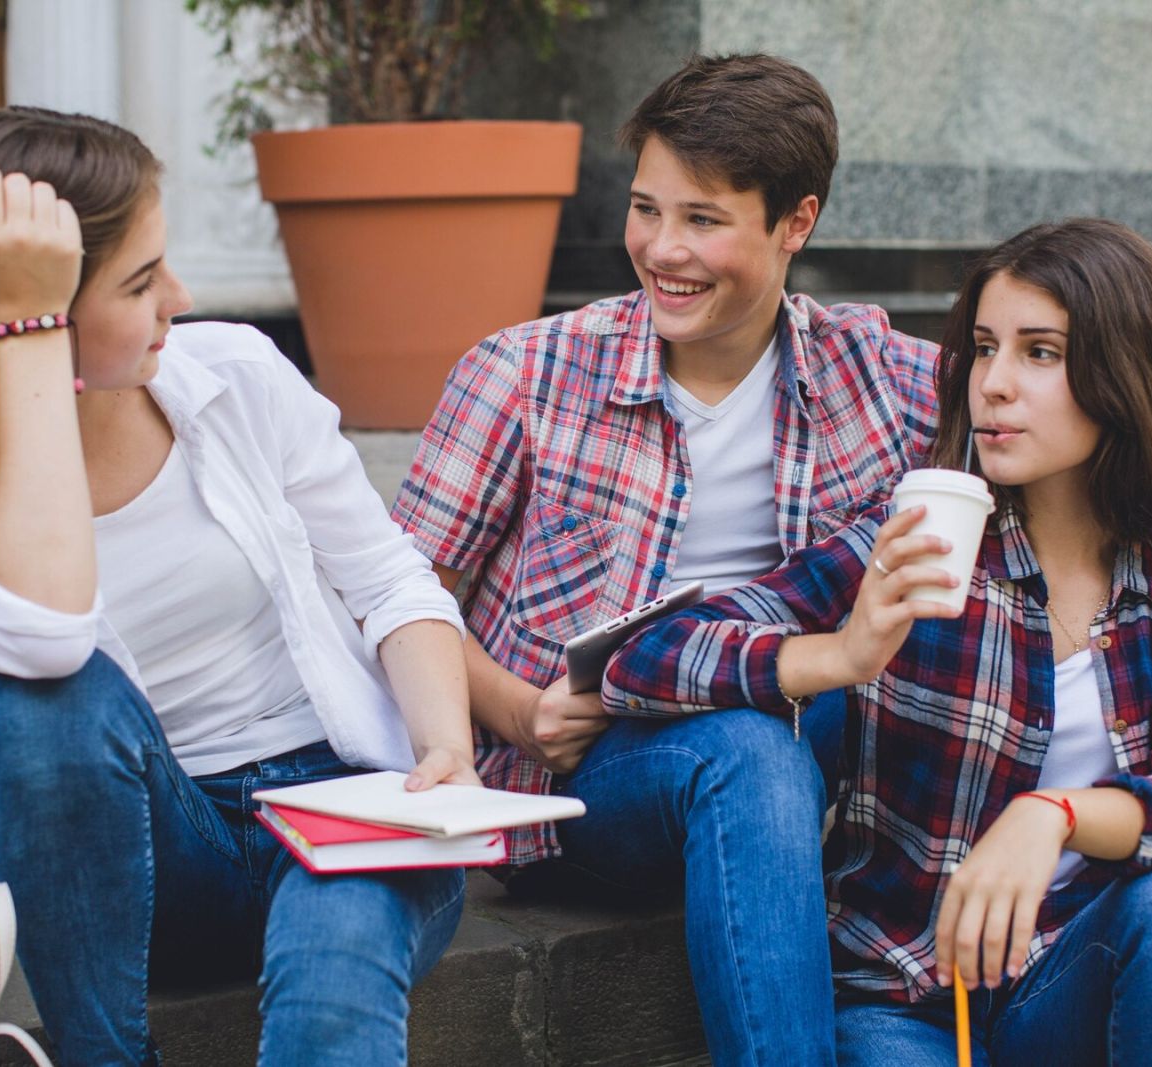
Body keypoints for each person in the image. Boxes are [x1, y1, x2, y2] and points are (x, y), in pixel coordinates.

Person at [0, 106, 476, 1067]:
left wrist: (446, 752)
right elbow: (49, 643)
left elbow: (388, 580)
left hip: (351, 800)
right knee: (39, 707)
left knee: (338, 958)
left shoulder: (234, 374)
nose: (180, 296)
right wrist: (29, 331)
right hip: (166, 853)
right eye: (140, 281)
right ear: (38, 306)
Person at [603, 217, 1152, 1066]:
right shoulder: (924, 541)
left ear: (1131, 374)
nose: (991, 384)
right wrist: (843, 653)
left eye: (1040, 352)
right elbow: (648, 657)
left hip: (1068, 974)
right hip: (908, 1000)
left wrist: (1051, 816)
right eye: (985, 347)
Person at [390, 53, 938, 1064]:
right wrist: (517, 707)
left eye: (703, 219)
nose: (662, 250)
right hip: (598, 777)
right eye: (647, 210)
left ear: (795, 224)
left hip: (812, 737)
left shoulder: (885, 376)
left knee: (803, 717)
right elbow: (392, 591)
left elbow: (1037, 407)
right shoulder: (526, 373)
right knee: (749, 751)